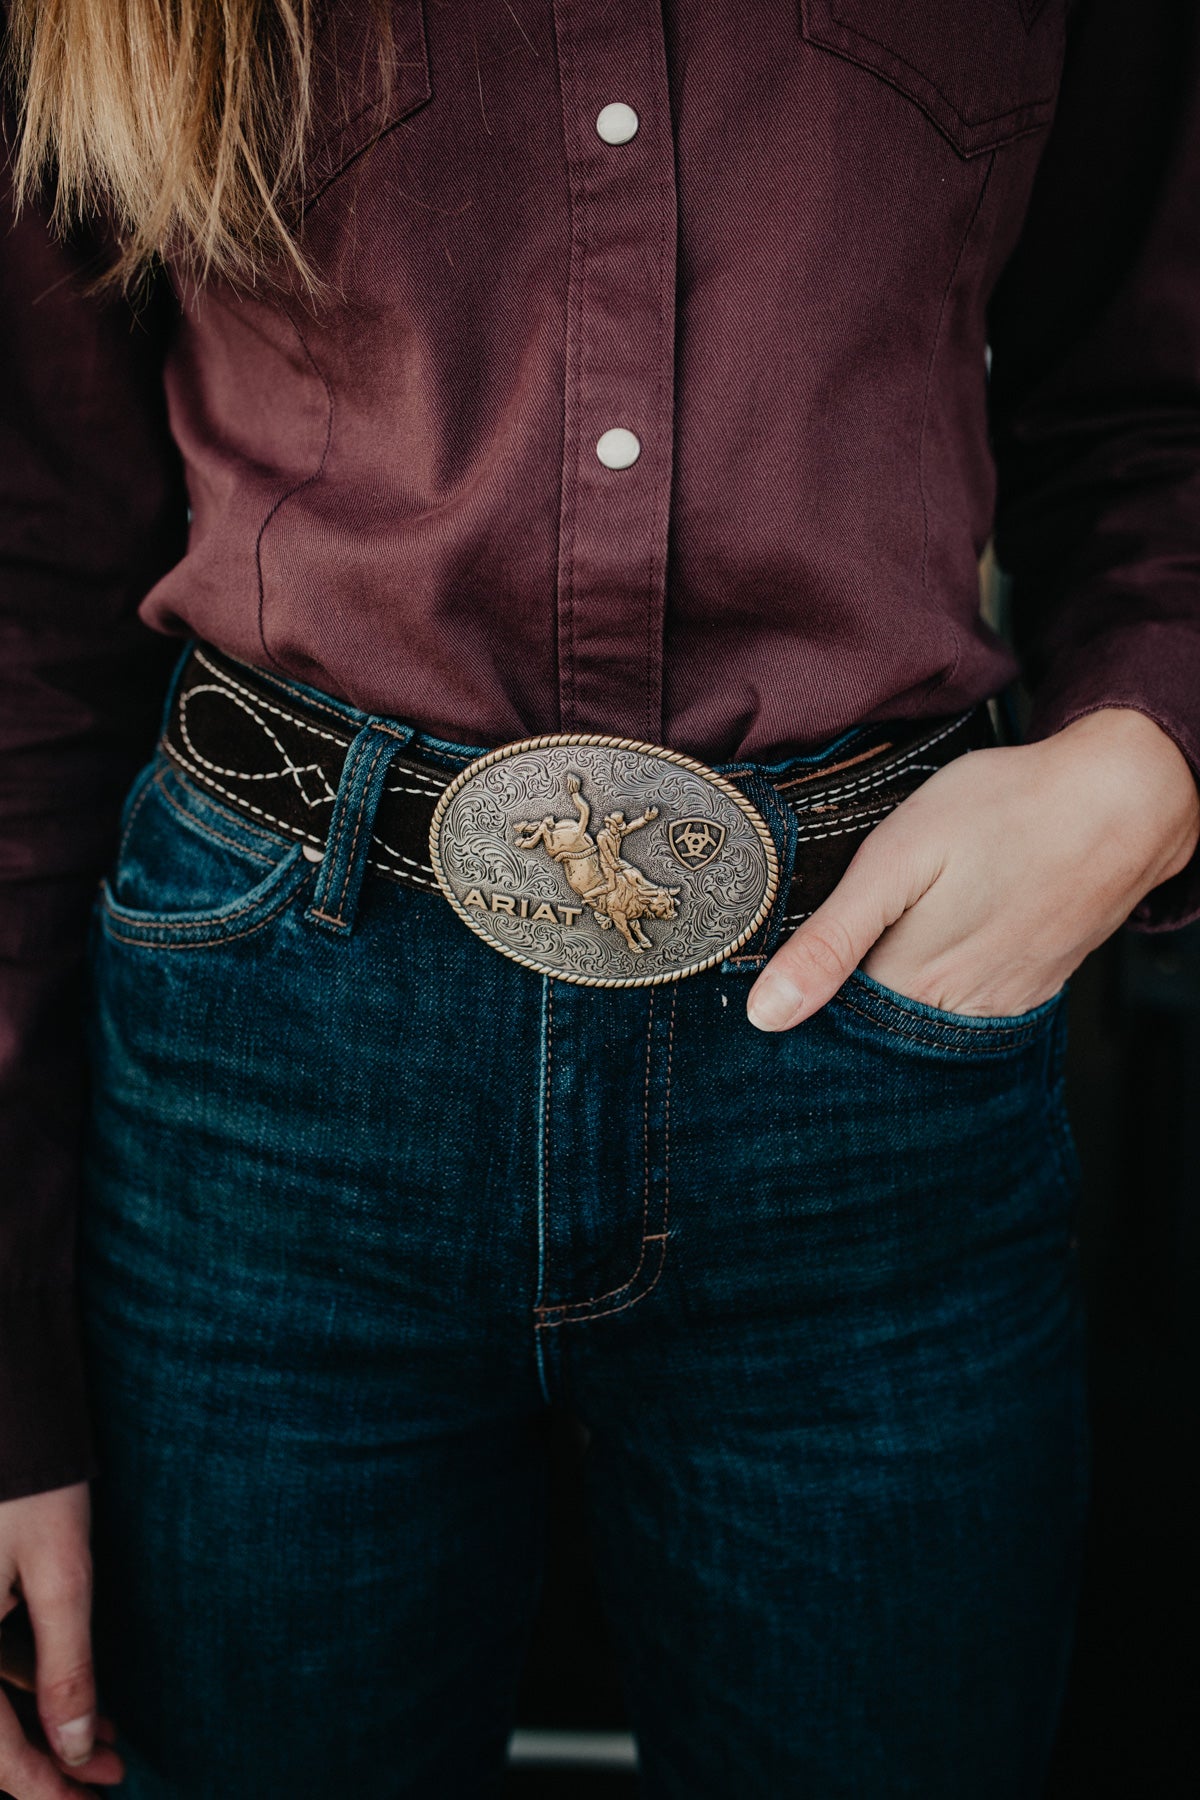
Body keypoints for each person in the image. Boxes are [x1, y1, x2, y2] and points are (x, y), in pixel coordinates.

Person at [1, 1, 1198, 1795]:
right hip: (261, 1071)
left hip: (869, 1041)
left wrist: (1147, 759)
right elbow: (24, 566)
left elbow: (1159, 399)